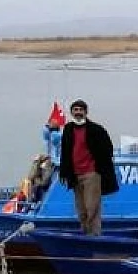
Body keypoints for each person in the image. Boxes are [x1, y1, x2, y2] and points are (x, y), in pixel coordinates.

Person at [58, 100, 119, 236]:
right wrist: (65, 172)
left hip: (92, 174)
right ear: (72, 112)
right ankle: (85, 233)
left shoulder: (96, 129)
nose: (78, 112)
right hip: (75, 175)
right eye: (75, 110)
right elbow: (65, 152)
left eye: (81, 110)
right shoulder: (68, 129)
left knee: (93, 208)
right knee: (81, 210)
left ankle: (94, 236)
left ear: (86, 112)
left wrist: (100, 167)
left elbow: (108, 149)